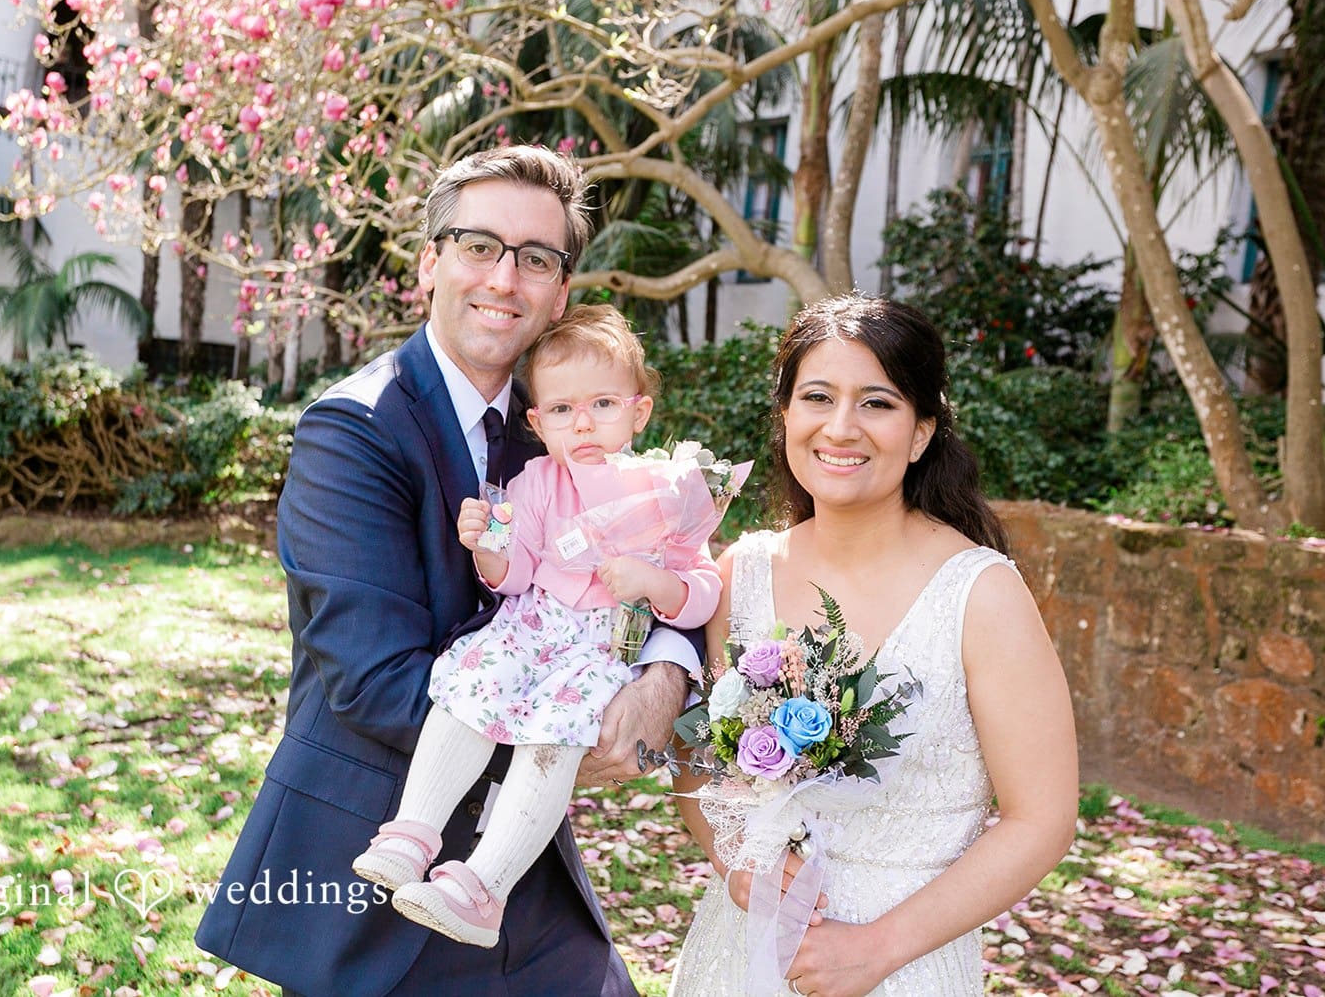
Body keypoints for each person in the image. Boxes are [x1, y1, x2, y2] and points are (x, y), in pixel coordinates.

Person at [195, 147, 699, 997]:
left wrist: (664, 677)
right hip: (374, 872)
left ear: (560, 291)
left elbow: (669, 554)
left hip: (516, 868)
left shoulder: (568, 428)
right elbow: (371, 679)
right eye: (478, 245)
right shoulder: (353, 430)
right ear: (431, 260)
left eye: (536, 258)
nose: (506, 277)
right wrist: (571, 735)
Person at [669, 294, 1078, 997]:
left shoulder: (980, 594)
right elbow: (695, 756)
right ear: (787, 415)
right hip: (740, 953)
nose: (840, 426)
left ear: (921, 431)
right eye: (818, 396)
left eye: (877, 403)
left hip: (903, 968)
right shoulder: (741, 572)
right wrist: (738, 866)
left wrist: (877, 949)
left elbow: (1042, 819)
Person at [352, 303, 721, 948]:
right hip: (530, 632)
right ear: (537, 421)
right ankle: (411, 832)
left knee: (551, 745)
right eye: (561, 410)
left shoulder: (669, 491)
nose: (582, 423)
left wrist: (654, 582)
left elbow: (702, 592)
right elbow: (513, 572)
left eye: (603, 405)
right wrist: (486, 543)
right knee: (466, 695)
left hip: (599, 651)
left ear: (639, 411)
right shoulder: (536, 480)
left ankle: (484, 886)